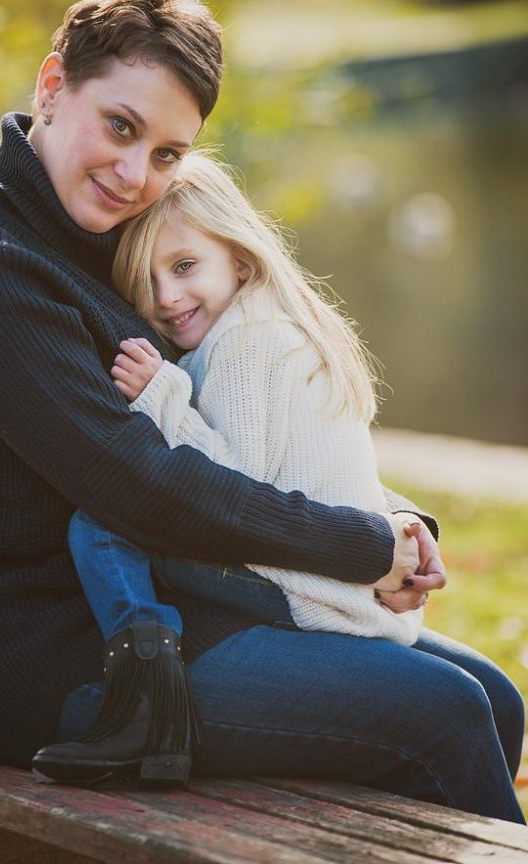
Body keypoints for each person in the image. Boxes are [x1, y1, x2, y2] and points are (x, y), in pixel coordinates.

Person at [0, 0, 525, 824]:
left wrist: (399, 523)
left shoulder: (111, 236)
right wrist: (362, 545)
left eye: (166, 153)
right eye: (121, 127)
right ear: (51, 86)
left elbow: (242, 426)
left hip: (183, 599)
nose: (133, 173)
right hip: (42, 650)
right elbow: (137, 483)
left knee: (493, 694)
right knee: (440, 715)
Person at [34, 151, 426, 785]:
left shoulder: (242, 344)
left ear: (240, 258)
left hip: (310, 589)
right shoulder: (271, 322)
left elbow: (233, 489)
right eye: (147, 282)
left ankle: (146, 701)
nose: (167, 297)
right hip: (342, 584)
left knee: (102, 522)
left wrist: (161, 394)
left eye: (185, 267)